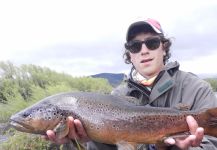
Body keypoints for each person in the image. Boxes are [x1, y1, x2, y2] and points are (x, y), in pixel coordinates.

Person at [44, 18, 217, 149]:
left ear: (164, 48)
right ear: (130, 55)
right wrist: (82, 141)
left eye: (152, 43)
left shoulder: (196, 88)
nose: (144, 50)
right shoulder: (117, 96)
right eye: (135, 46)